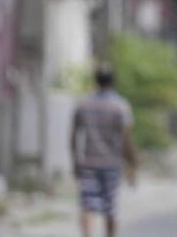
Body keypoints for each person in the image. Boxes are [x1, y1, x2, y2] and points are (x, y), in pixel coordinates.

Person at [70, 64, 137, 237]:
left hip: (88, 163)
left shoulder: (84, 104)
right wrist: (133, 162)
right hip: (111, 163)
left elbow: (73, 136)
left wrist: (75, 161)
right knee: (110, 208)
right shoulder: (120, 106)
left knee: (87, 205)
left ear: (96, 80)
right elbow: (126, 138)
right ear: (113, 81)